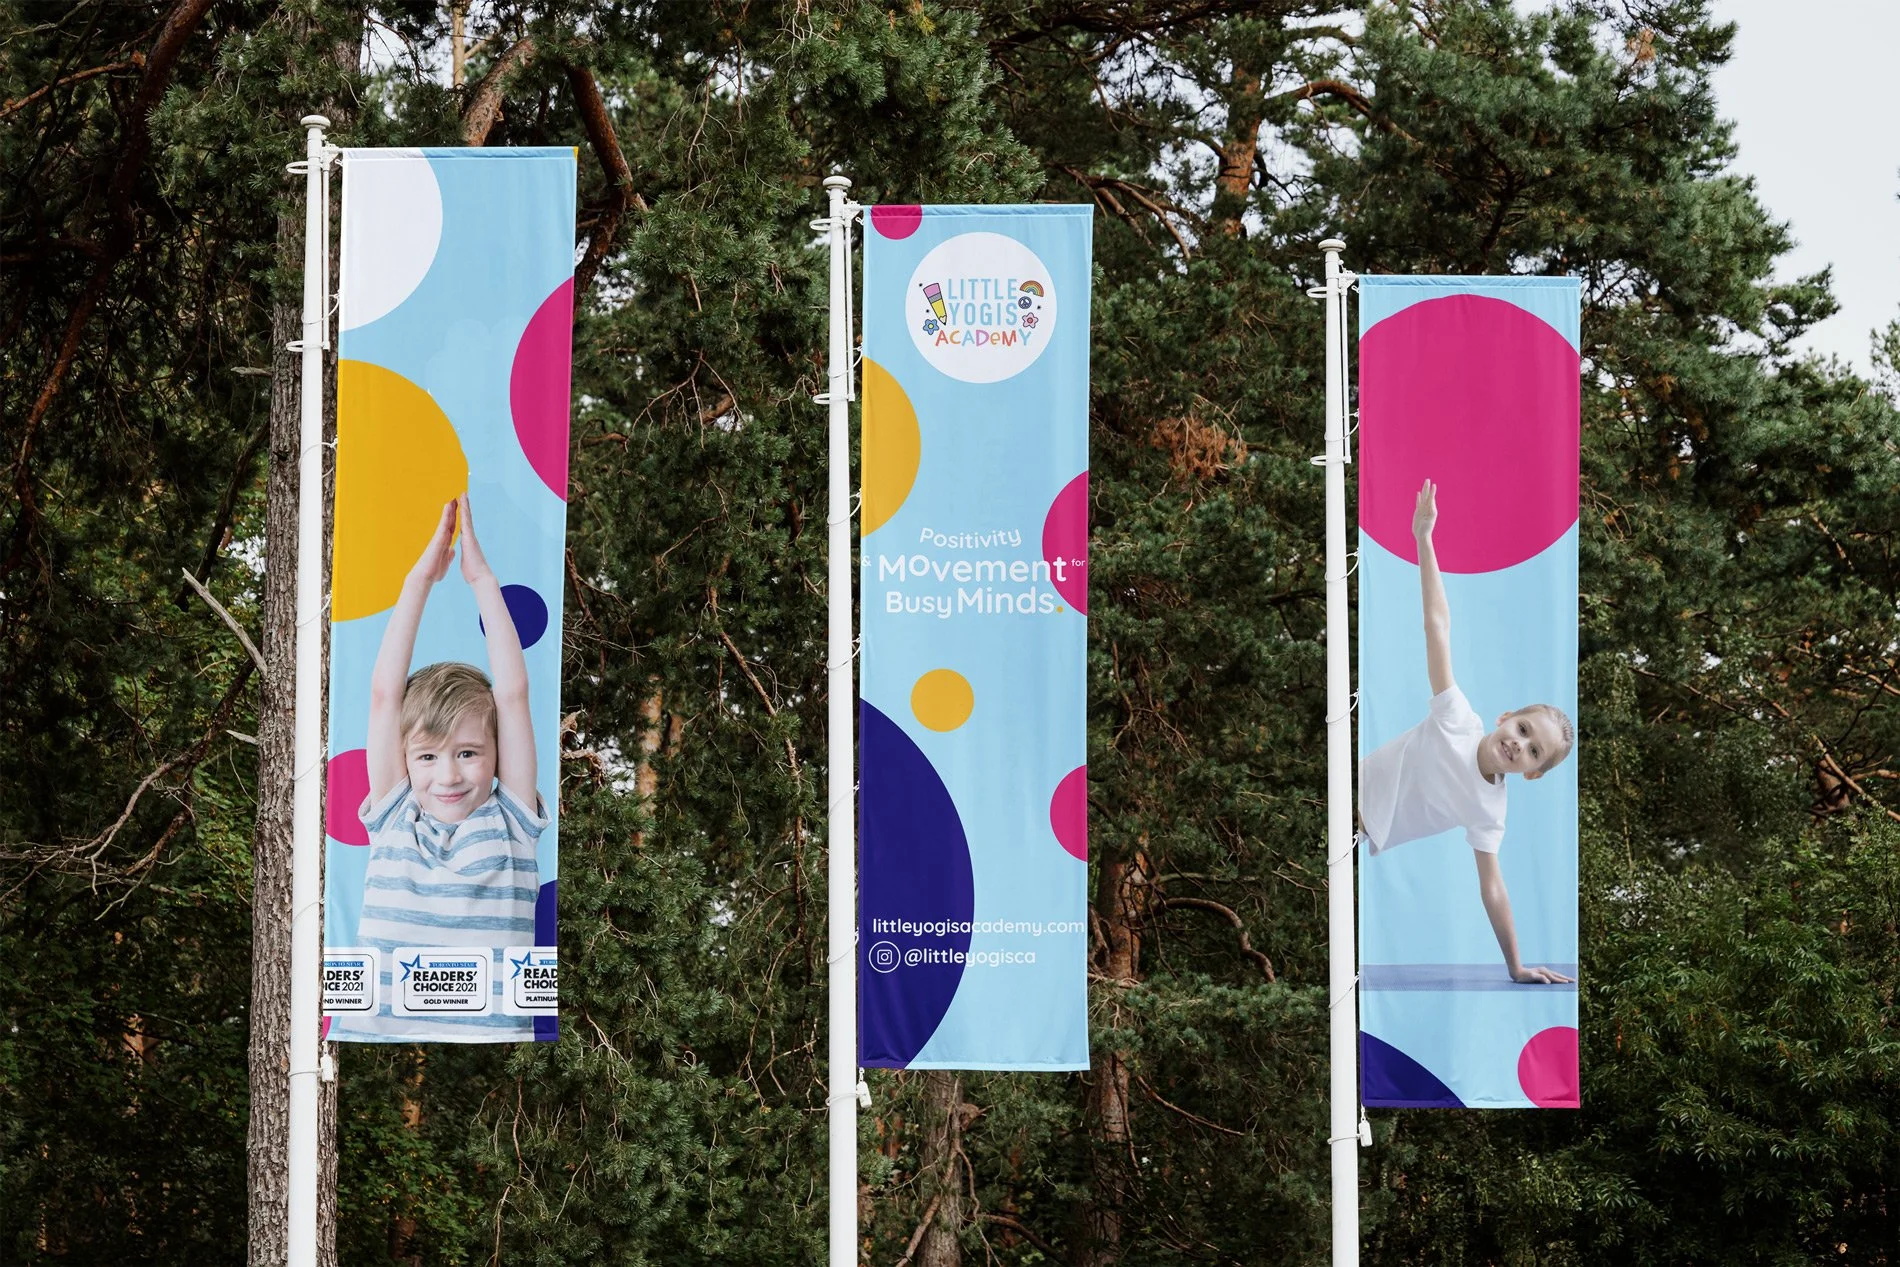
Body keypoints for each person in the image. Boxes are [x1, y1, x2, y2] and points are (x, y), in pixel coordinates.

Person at [1359, 478, 1574, 985]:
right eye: (1522, 729)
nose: (1519, 744)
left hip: (1353, 833)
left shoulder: (1490, 809)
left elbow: (1493, 889)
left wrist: (1516, 967)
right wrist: (1424, 539)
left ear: (1533, 774)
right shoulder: (1457, 717)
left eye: (1532, 751)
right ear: (1505, 717)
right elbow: (1438, 626)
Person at [346, 493, 545, 1037]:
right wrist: (420, 581)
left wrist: (482, 580)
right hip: (381, 1031)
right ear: (408, 759)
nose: (448, 775)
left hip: (500, 1034)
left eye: (468, 753)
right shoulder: (395, 814)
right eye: (428, 757)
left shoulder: (513, 821)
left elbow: (513, 695)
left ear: (496, 754)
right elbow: (385, 694)